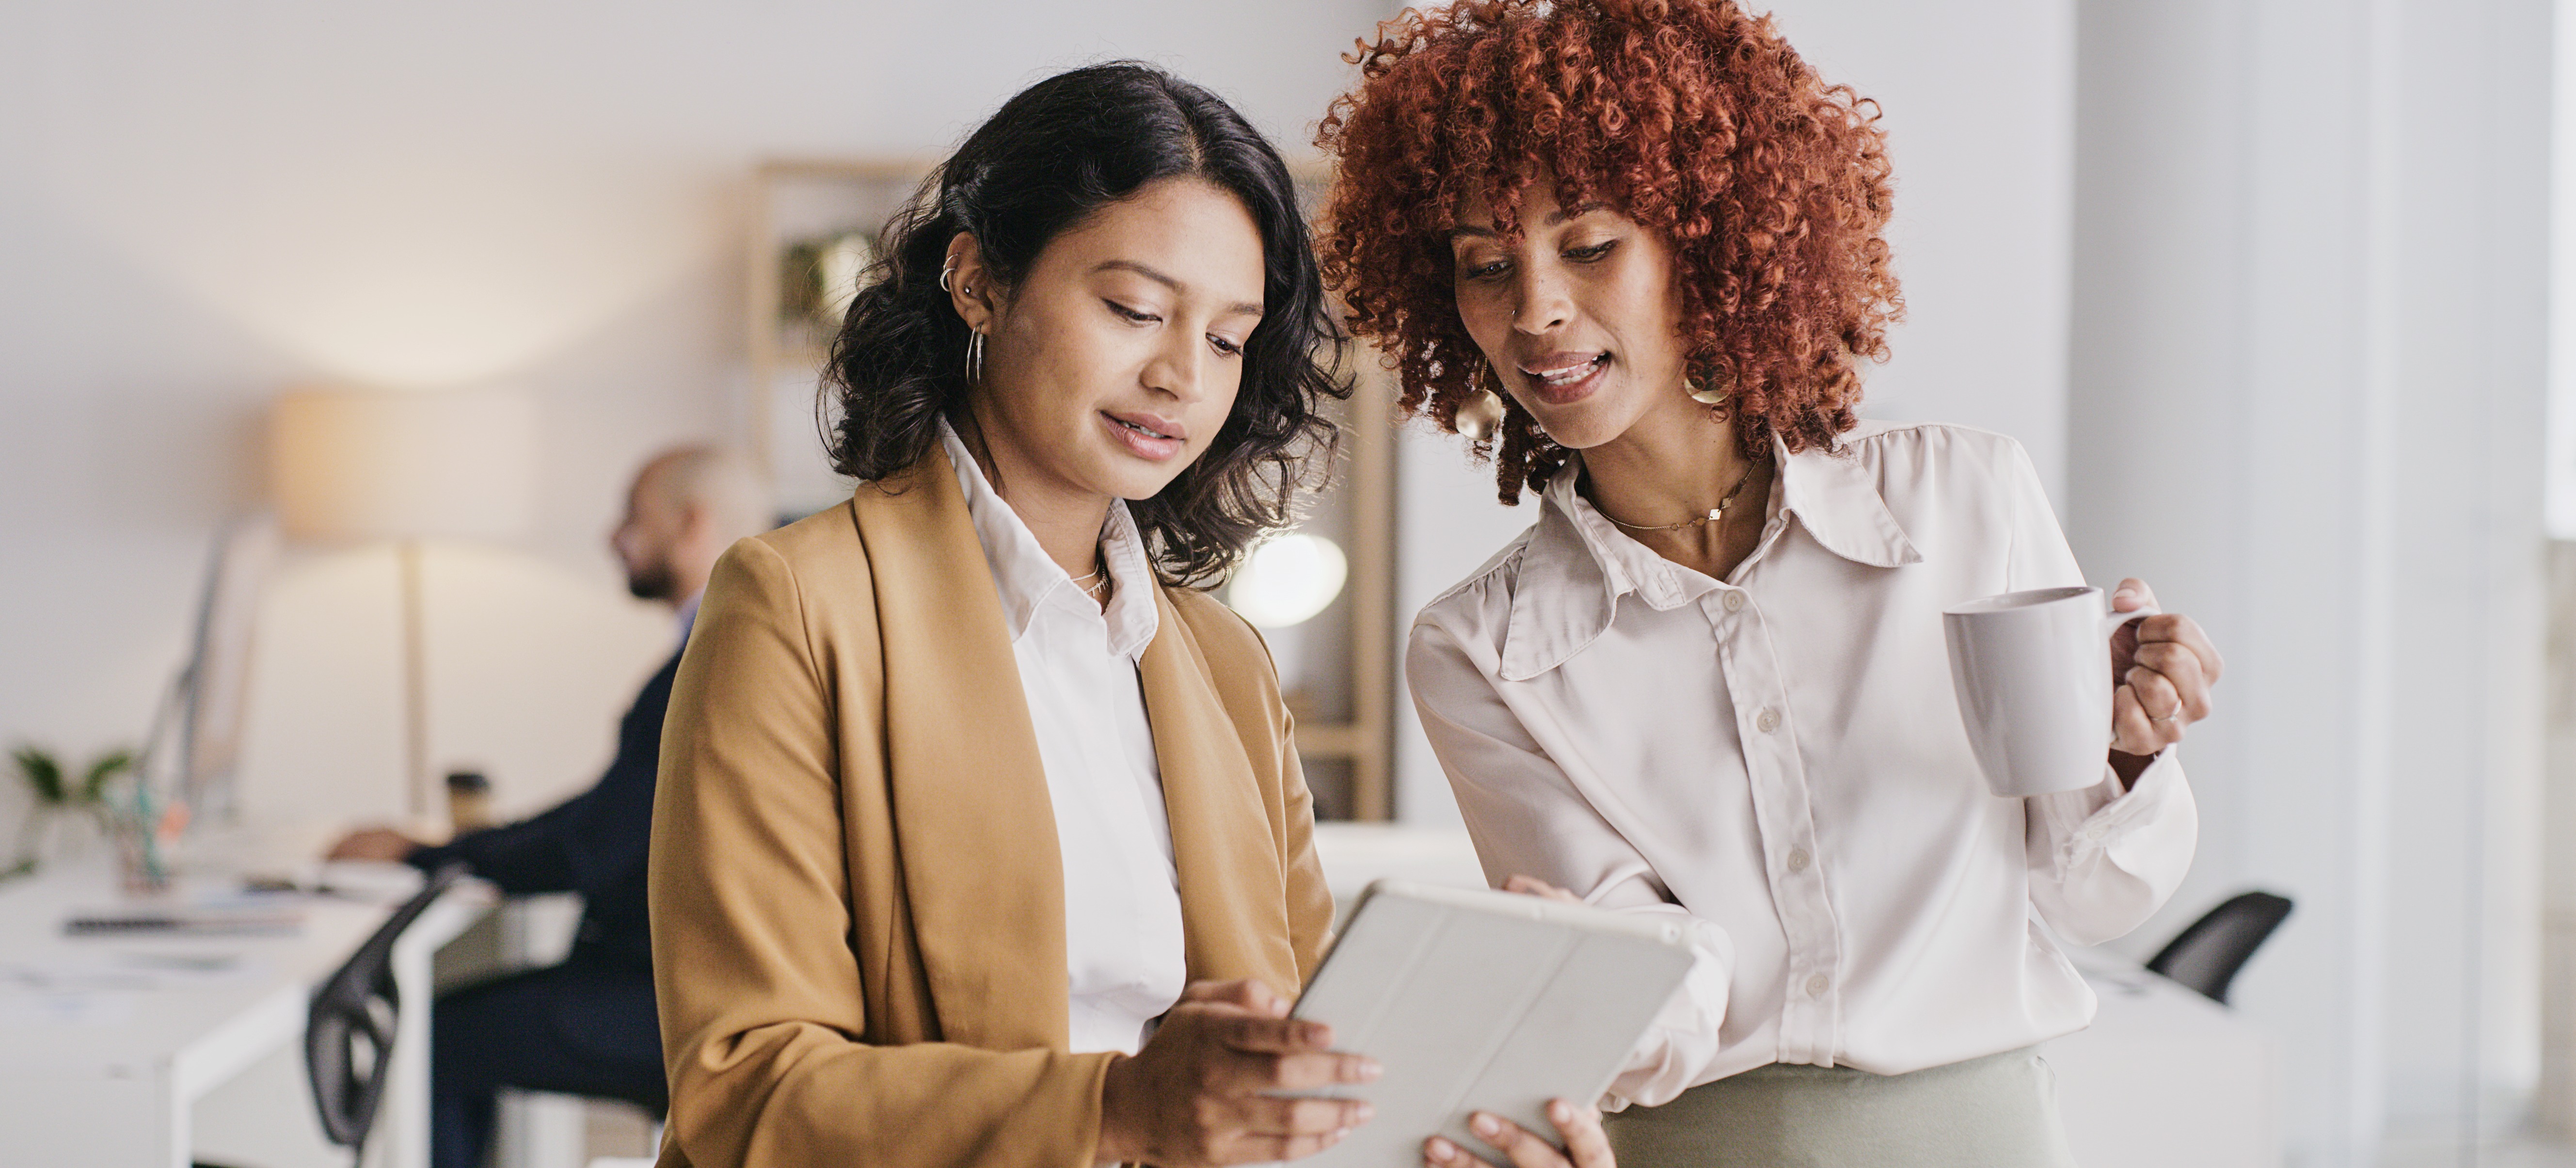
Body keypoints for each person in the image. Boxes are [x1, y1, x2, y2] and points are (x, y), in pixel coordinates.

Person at [646, 63, 1610, 1168]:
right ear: (977, 280)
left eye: (1224, 339)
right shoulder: (798, 605)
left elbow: (1289, 1056)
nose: (1179, 377)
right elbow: (741, 1093)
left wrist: (1463, 1077)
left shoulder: (1223, 662)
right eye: (1134, 309)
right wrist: (1111, 1107)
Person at [1316, 3, 2223, 1166]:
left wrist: (2126, 749)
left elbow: (2093, 896)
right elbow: (1648, 996)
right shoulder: (1478, 647)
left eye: (1587, 245)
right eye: (1485, 267)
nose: (1533, 308)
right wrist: (1550, 978)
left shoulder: (1961, 502)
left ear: (1706, 238)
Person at [326, 445, 768, 1168]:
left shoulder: (714, 660)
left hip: (670, 1001)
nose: (612, 537)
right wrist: (455, 847)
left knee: (436, 1040)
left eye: (632, 516)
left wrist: (420, 853)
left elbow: (588, 846)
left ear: (691, 525)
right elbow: (601, 821)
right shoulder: (731, 645)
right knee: (459, 1027)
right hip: (693, 986)